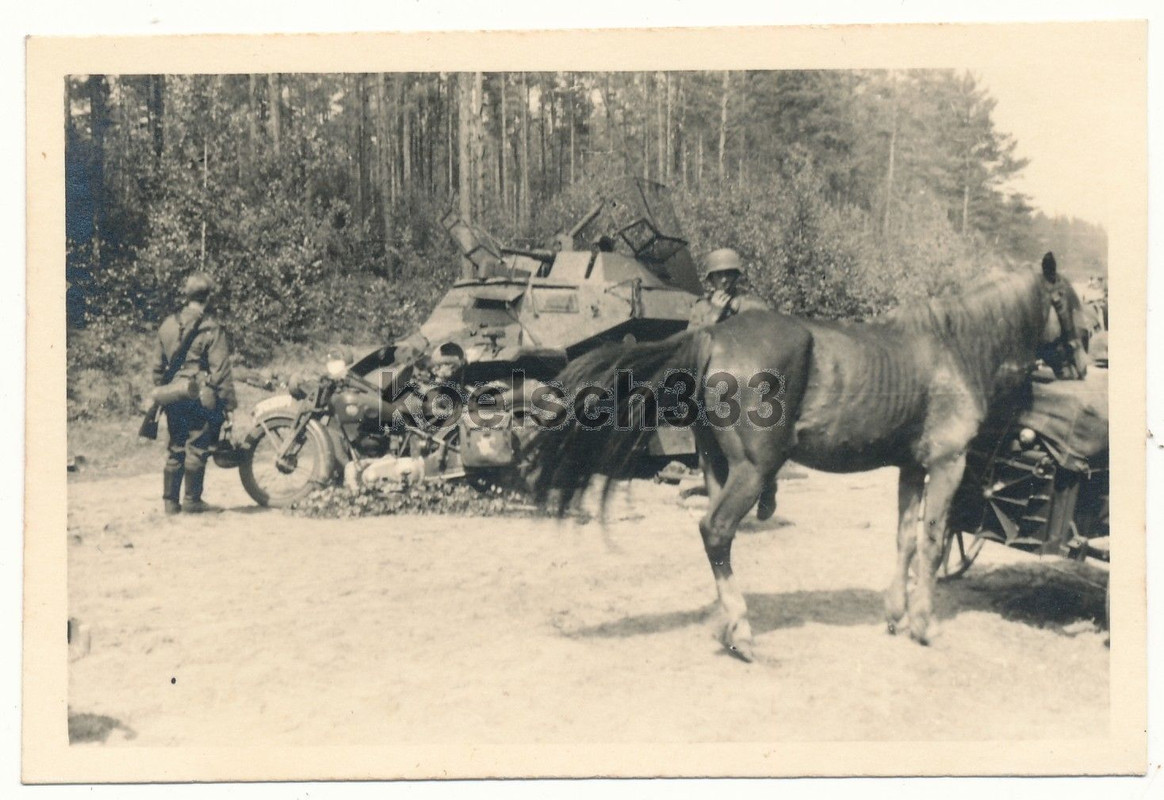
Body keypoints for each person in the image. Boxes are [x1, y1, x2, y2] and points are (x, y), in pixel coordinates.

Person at [151, 272, 238, 514]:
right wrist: (229, 405)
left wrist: (165, 391)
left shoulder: (167, 325)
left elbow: (157, 368)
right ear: (208, 298)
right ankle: (192, 501)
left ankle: (170, 503)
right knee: (197, 446)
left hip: (172, 394)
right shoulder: (211, 328)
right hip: (198, 395)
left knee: (175, 446)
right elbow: (220, 371)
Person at [687, 248, 770, 328]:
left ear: (736, 276)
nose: (724, 279)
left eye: (728, 274)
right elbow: (693, 339)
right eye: (718, 275)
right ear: (711, 279)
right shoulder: (701, 308)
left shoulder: (752, 305)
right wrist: (714, 314)